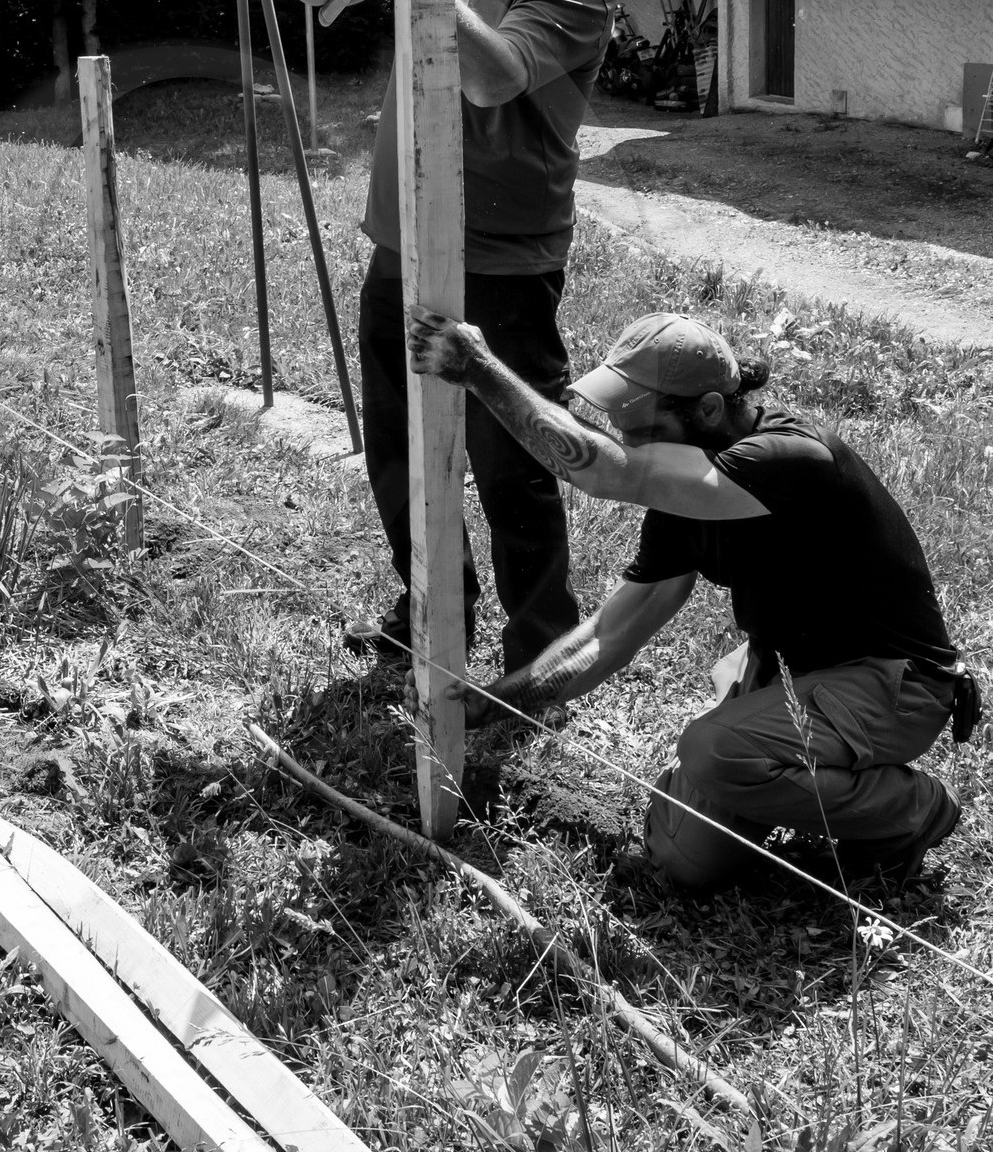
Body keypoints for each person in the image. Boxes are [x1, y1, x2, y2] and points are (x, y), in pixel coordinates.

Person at [402, 307, 977, 892]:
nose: (628, 439)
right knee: (684, 860)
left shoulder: (792, 459)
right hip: (792, 680)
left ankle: (913, 807)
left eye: (643, 425)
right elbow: (608, 636)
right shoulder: (685, 504)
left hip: (895, 686)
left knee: (713, 752)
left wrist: (478, 370)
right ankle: (778, 767)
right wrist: (486, 702)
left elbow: (604, 470)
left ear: (707, 409)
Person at [291, 0, 616, 673]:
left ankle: (542, 649)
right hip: (402, 240)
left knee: (513, 461)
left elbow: (494, 74)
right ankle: (432, 605)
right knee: (394, 447)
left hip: (503, 262)